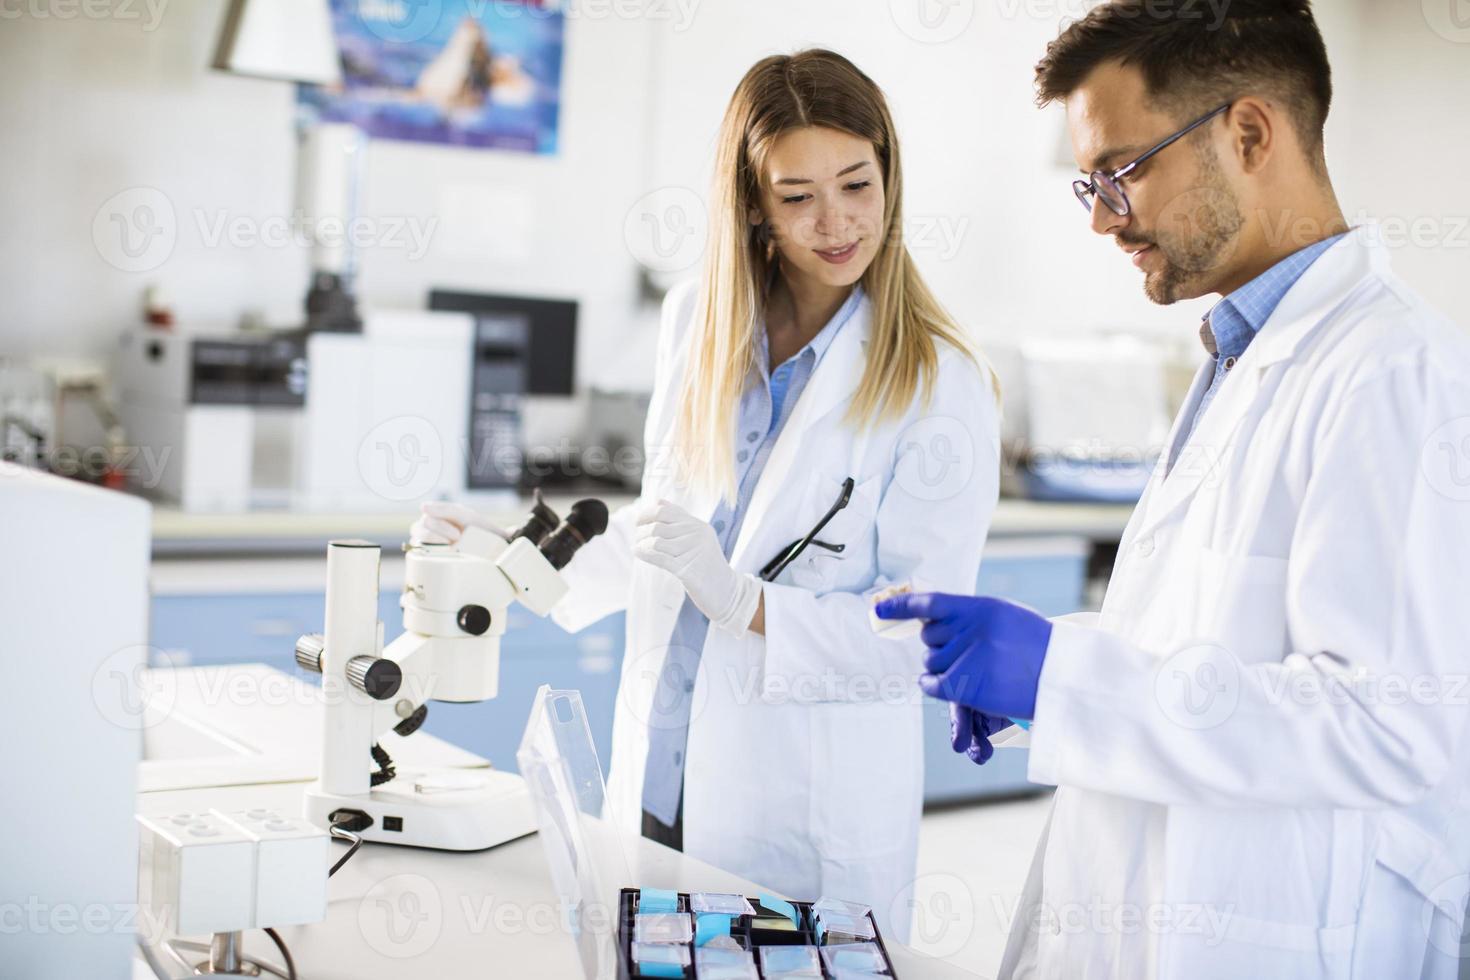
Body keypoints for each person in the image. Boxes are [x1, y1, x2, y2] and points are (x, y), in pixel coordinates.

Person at [877, 1, 1470, 976]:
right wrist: (1058, 667)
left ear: (1248, 133)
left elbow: (1385, 723)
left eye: (1120, 171)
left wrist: (1063, 679)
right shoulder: (1240, 353)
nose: (1105, 217)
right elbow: (1213, 648)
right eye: (1089, 185)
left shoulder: (1395, 374)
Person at [413, 49, 1000, 938]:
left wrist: (748, 604)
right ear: (753, 204)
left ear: (891, 178)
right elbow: (666, 538)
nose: (837, 222)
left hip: (799, 813)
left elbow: (919, 637)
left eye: (858, 185)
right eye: (797, 196)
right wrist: (518, 556)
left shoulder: (939, 379)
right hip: (658, 772)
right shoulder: (697, 321)